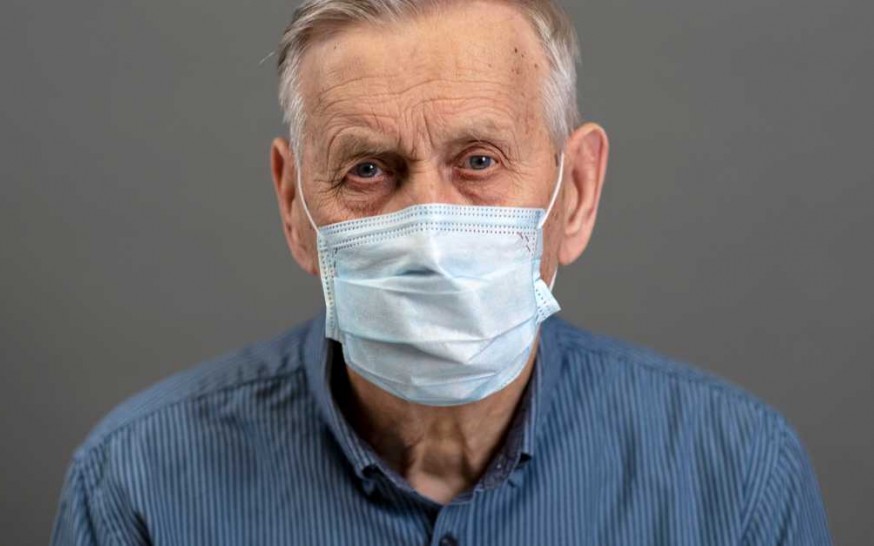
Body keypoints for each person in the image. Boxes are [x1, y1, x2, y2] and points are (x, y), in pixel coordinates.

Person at [50, 1, 832, 544]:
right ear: (293, 204)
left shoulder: (735, 473)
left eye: (479, 160)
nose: (427, 227)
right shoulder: (141, 485)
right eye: (367, 169)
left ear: (578, 192)